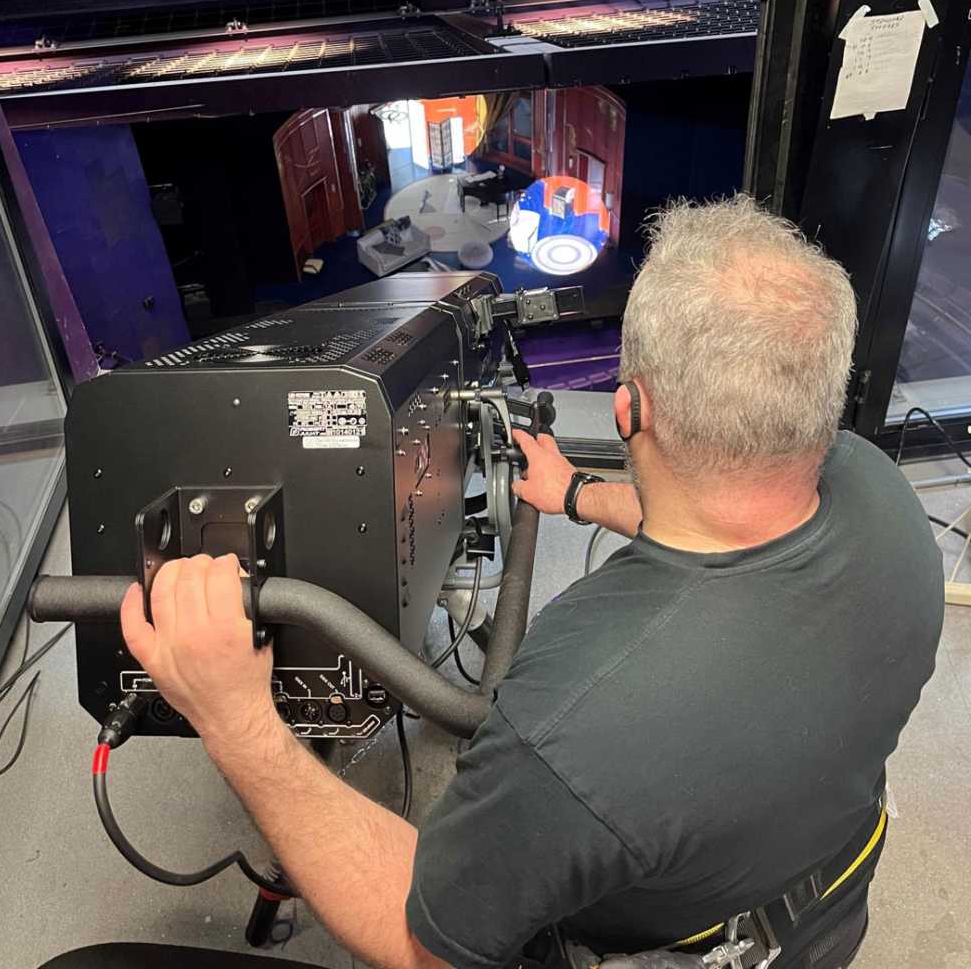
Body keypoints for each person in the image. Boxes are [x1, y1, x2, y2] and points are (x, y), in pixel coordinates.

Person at [120, 196, 943, 969]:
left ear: (628, 410)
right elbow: (729, 508)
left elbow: (422, 943)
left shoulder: (579, 725)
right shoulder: (885, 499)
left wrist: (236, 719)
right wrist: (578, 496)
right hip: (824, 905)